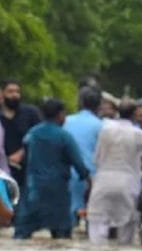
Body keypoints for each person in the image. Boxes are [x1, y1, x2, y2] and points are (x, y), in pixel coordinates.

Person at [87, 100, 142, 245]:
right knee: (126, 230)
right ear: (134, 116)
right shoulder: (138, 134)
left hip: (103, 183)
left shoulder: (105, 131)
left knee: (97, 224)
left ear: (117, 113)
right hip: (127, 185)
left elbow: (96, 159)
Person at [14, 99, 90, 239]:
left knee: (22, 233)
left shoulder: (33, 134)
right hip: (57, 193)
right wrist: (87, 178)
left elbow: (24, 152)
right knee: (62, 235)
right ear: (60, 115)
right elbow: (78, 163)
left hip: (34, 191)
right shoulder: (64, 136)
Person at [63, 86, 104, 228]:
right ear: (99, 106)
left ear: (79, 102)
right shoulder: (101, 125)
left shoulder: (65, 121)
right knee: (93, 223)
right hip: (92, 178)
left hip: (67, 176)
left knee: (69, 221)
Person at [0, 80, 41, 189]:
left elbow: (39, 136)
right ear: (2, 94)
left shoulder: (30, 113)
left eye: (17, 91)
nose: (14, 95)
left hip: (28, 171)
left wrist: (22, 152)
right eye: (10, 91)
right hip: (2, 170)